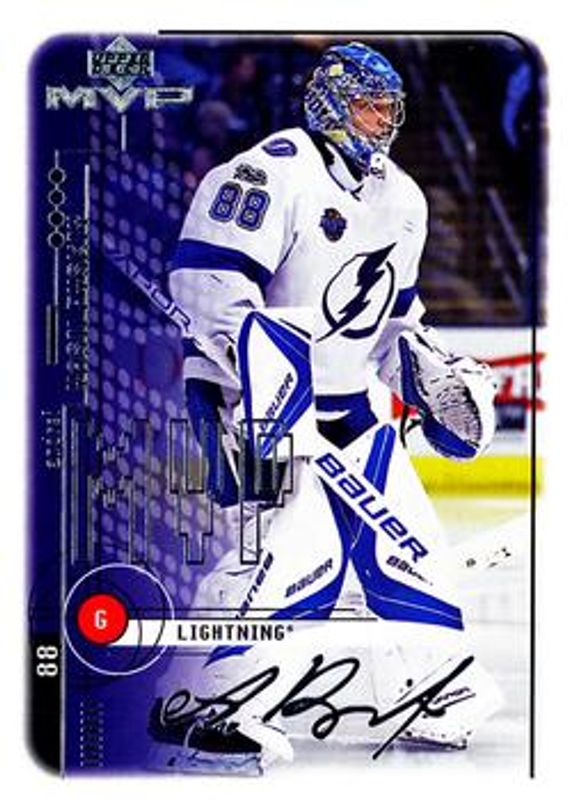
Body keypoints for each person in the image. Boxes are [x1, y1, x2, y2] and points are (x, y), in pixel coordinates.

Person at [156, 41, 500, 772]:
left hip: (353, 409)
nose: (384, 123)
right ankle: (201, 699)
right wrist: (260, 383)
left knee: (411, 554)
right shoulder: (266, 173)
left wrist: (427, 374)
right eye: (370, 107)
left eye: (390, 110)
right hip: (263, 406)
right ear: (331, 104)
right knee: (291, 556)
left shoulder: (403, 200)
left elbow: (392, 324)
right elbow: (206, 287)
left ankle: (425, 690)